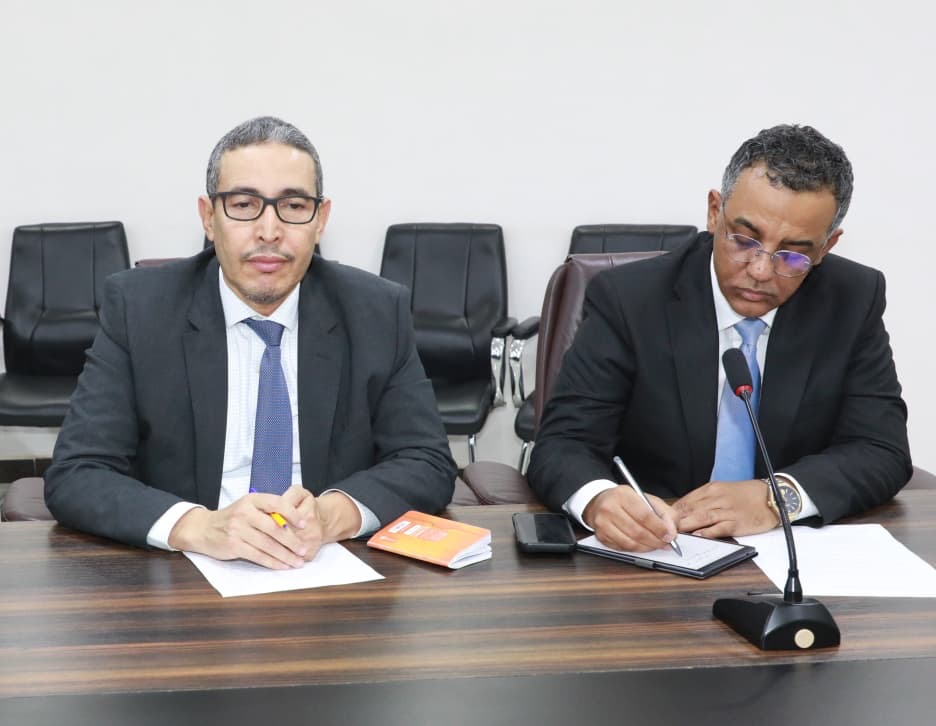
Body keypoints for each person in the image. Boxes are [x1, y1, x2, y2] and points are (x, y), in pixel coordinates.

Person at [45, 116, 456, 568]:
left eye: (293, 206)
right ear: (209, 217)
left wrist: (331, 515)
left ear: (320, 220)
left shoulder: (376, 311)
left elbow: (426, 461)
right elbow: (77, 473)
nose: (269, 231)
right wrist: (199, 527)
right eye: (244, 204)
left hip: (328, 565)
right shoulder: (139, 309)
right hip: (185, 572)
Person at [527, 124, 911, 553]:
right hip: (658, 549)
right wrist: (599, 500)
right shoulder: (629, 299)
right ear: (715, 212)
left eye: (793, 254)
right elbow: (564, 444)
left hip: (789, 552)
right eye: (744, 240)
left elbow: (881, 449)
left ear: (826, 247)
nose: (761, 270)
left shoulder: (852, 299)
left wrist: (775, 498)